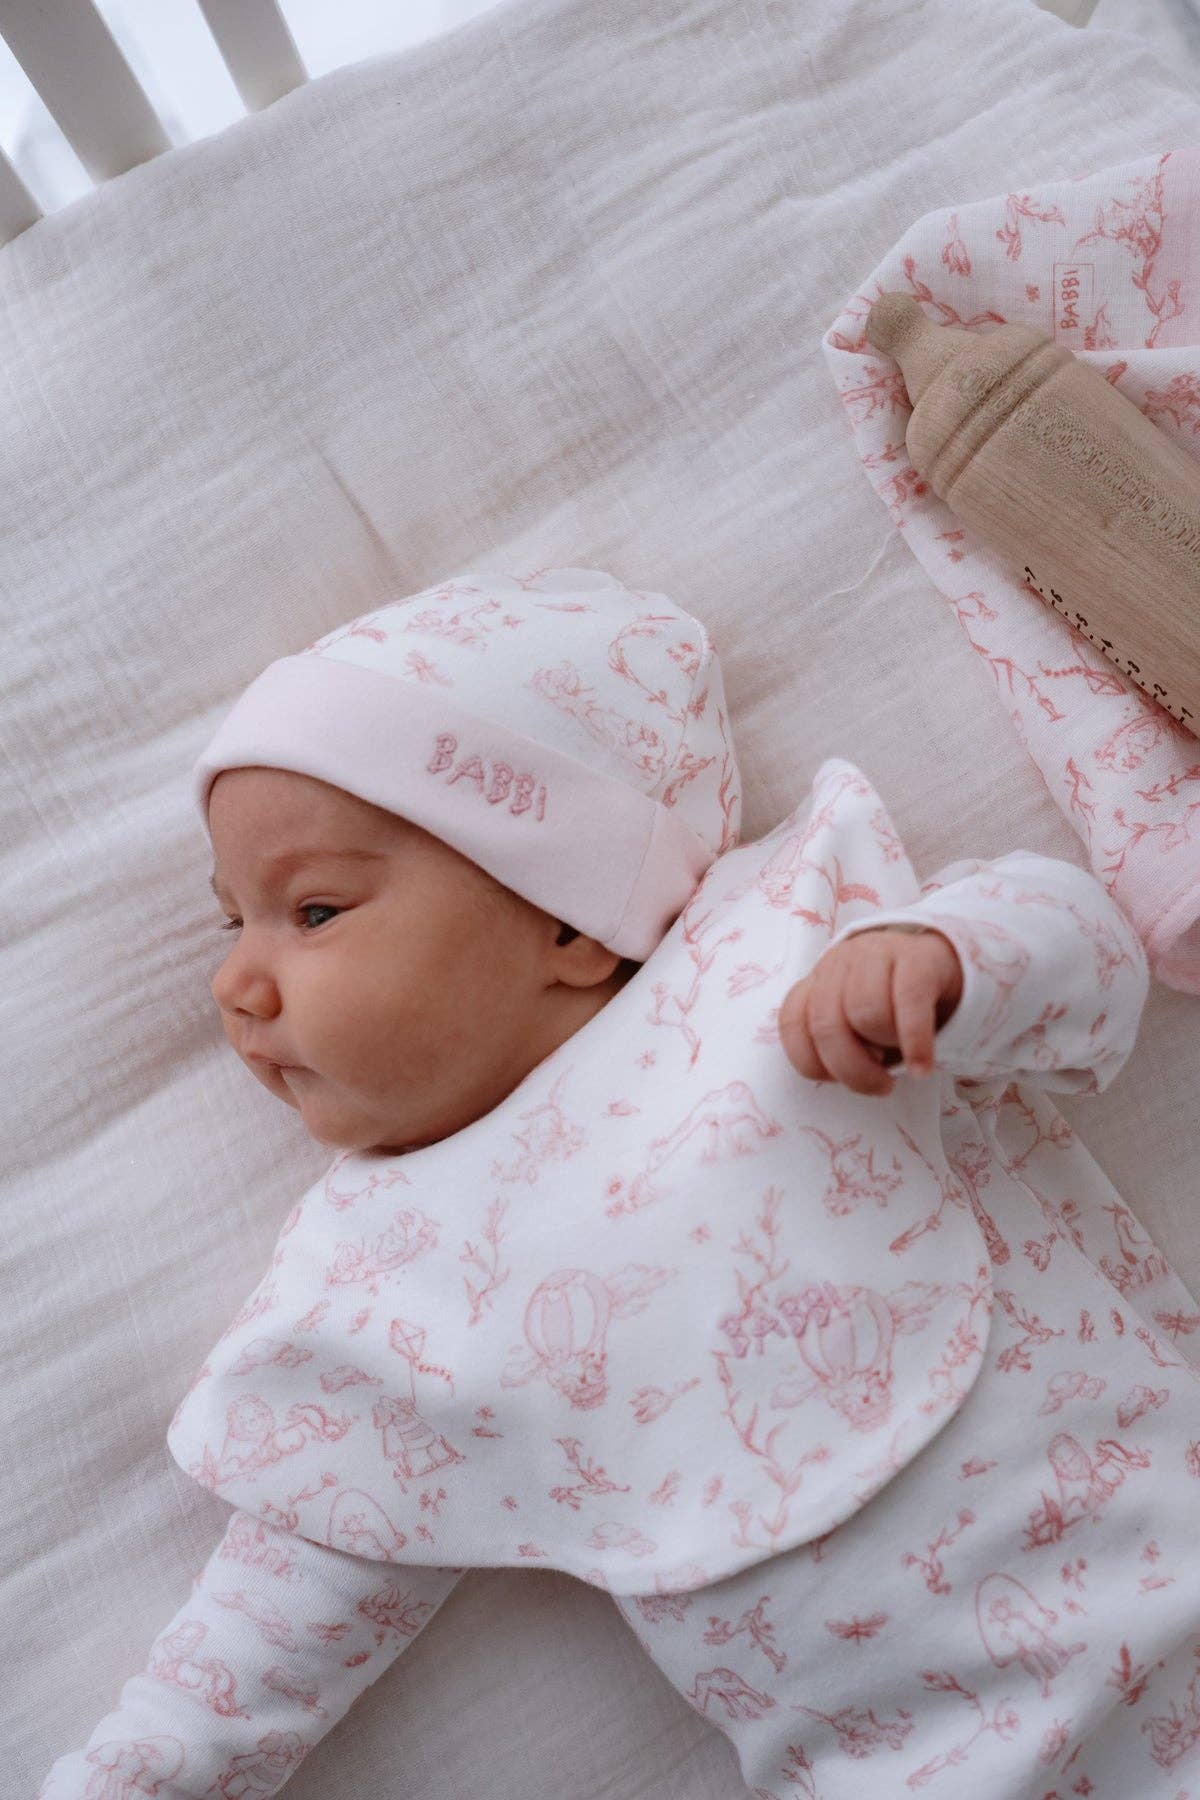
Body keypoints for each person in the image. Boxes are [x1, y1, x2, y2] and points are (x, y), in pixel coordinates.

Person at [39, 567, 1200, 1799]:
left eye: (312, 910)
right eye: (232, 924)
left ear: (570, 920)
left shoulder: (784, 965)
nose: (233, 985)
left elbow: (1087, 958)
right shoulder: (381, 1291)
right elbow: (248, 1657)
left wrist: (948, 962)